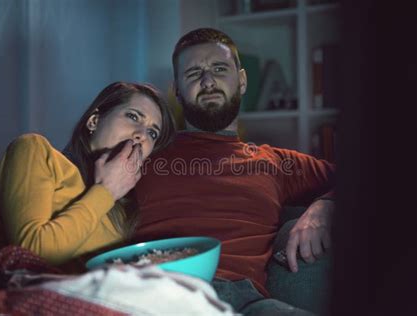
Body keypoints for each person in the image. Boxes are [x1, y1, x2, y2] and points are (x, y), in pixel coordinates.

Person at [132, 28, 335, 315]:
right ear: (176, 89)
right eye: (193, 73)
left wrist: (325, 206)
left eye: (219, 68)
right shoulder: (144, 153)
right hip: (154, 295)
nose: (208, 81)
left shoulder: (275, 162)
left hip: (241, 302)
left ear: (241, 81)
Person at [0, 81, 175, 267]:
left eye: (152, 133)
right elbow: (32, 255)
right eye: (133, 117)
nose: (142, 135)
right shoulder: (35, 150)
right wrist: (106, 191)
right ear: (94, 121)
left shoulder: (125, 213)